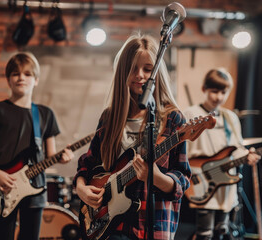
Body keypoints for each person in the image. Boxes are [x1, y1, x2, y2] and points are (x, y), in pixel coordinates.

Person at [73, 33, 191, 240]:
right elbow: (88, 163)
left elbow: (181, 181)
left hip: (151, 225)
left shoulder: (173, 118)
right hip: (109, 226)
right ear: (122, 72)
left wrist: (154, 177)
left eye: (147, 69)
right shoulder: (110, 117)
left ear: (158, 73)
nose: (140, 75)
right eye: (133, 68)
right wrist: (81, 188)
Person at [0, 52, 74, 240]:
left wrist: (63, 158)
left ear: (36, 80)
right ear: (8, 79)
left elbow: (50, 155)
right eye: (15, 73)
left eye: (27, 74)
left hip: (35, 187)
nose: (21, 78)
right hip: (3, 187)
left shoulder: (45, 114)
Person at [184, 68, 260, 240]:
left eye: (223, 92)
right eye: (214, 91)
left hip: (226, 182)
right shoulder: (190, 114)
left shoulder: (230, 117)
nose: (218, 97)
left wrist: (248, 155)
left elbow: (237, 147)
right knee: (204, 232)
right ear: (204, 89)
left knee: (221, 230)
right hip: (201, 178)